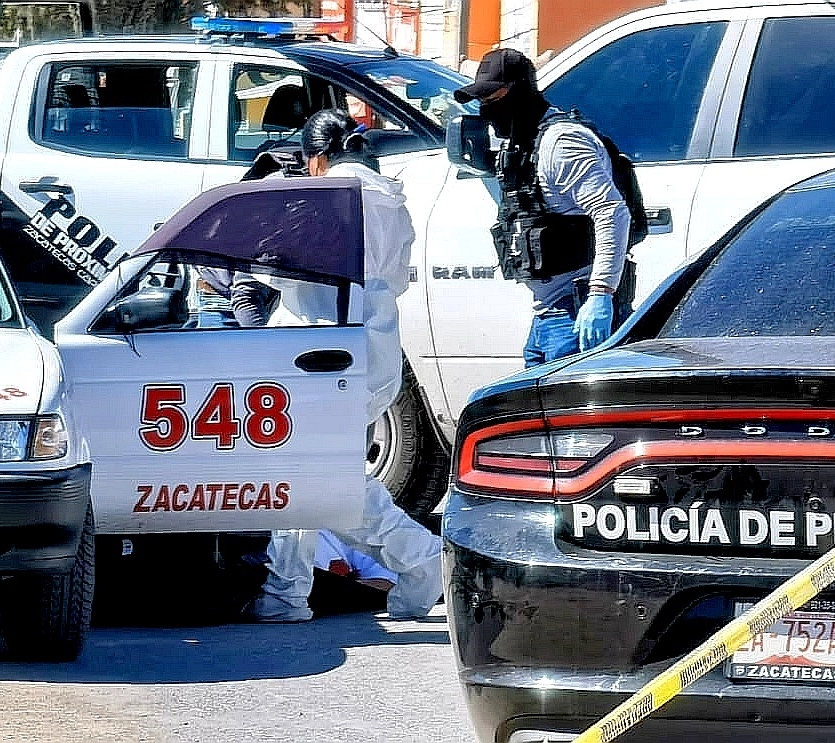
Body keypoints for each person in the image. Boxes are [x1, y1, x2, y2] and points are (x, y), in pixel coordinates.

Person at [245, 109, 443, 622]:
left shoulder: (314, 199)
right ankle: (287, 592)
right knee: (314, 474)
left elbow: (271, 269)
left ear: (316, 158)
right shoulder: (390, 200)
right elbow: (395, 279)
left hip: (315, 354)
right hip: (373, 350)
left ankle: (419, 560)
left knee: (306, 476)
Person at [454, 48, 632, 367]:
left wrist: (601, 294)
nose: (486, 111)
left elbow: (612, 213)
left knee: (576, 416)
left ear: (521, 92)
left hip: (576, 312)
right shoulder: (523, 142)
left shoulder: (563, 144)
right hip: (549, 316)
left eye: (493, 98)